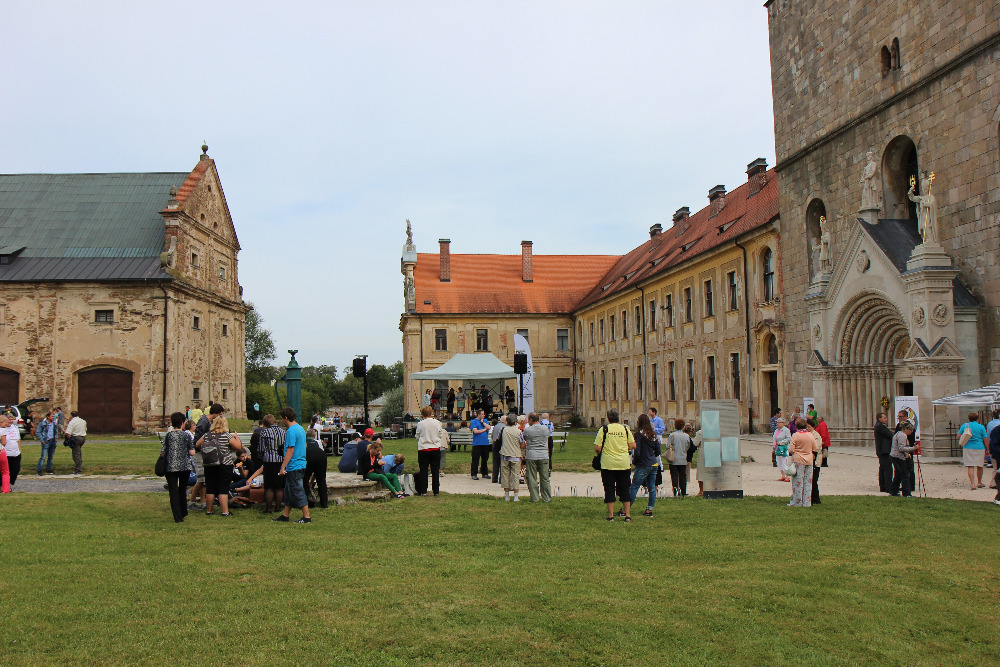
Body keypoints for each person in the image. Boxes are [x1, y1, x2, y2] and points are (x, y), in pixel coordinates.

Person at [196, 415, 243, 516]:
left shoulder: (207, 435)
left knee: (210, 488)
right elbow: (238, 446)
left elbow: (197, 444)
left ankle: (209, 510)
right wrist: (236, 437)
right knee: (223, 488)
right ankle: (225, 512)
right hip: (224, 464)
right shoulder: (226, 435)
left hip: (209, 464)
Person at [595, 409, 636, 521]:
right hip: (623, 463)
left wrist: (600, 453)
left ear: (608, 418)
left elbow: (598, 447)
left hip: (608, 463)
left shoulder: (604, 429)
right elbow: (633, 445)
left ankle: (611, 515)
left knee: (609, 488)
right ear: (618, 417)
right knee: (625, 489)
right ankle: (627, 515)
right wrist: (624, 448)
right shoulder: (625, 429)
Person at [274, 407, 311, 523]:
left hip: (294, 465)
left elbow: (290, 450)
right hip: (301, 463)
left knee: (298, 490)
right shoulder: (300, 428)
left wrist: (282, 467)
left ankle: (306, 517)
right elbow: (304, 445)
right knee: (289, 491)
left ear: (286, 418)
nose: (281, 420)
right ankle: (285, 515)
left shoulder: (291, 431)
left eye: (282, 418)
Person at [161, 412, 195, 523]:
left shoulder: (168, 436)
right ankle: (183, 511)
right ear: (182, 422)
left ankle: (177, 516)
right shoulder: (186, 435)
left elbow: (163, 451)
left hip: (170, 466)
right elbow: (192, 452)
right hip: (184, 466)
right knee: (182, 489)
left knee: (173, 491)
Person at [629, 413, 661, 516]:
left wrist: (635, 461)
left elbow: (637, 451)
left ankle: (626, 508)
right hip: (653, 463)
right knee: (652, 488)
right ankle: (649, 509)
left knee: (634, 486)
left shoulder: (639, 435)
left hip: (643, 464)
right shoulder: (653, 435)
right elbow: (658, 451)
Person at [257, 414, 286, 513]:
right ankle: (278, 507)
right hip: (281, 460)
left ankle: (268, 508)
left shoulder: (264, 432)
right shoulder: (283, 432)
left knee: (269, 486)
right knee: (279, 486)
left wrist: (261, 456)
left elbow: (261, 448)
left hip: (269, 460)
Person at [414, 405, 444, 496]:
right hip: (435, 448)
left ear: (422, 414)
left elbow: (417, 436)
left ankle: (423, 490)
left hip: (423, 448)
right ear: (431, 413)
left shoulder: (420, 423)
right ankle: (436, 491)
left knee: (423, 470)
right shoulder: (437, 422)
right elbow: (440, 434)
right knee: (435, 470)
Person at [522, 412, 551, 502]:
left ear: (531, 419)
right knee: (545, 477)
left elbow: (525, 439)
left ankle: (535, 498)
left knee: (532, 477)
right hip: (544, 455)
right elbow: (547, 437)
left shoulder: (528, 430)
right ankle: (546, 497)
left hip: (532, 455)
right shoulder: (545, 428)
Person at [958, 412, 989, 491]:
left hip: (968, 447)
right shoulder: (981, 426)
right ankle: (979, 482)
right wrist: (988, 449)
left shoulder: (965, 426)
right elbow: (985, 438)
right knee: (980, 466)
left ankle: (972, 484)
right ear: (977, 418)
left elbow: (958, 435)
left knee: (970, 466)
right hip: (979, 447)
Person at [788, 418, 815, 507]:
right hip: (809, 460)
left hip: (799, 459)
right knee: (808, 481)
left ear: (797, 427)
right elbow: (815, 447)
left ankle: (797, 501)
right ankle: (806, 502)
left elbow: (791, 449)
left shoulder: (796, 435)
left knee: (798, 482)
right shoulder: (810, 435)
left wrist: (797, 450)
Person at [498, 414, 524, 501]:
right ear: (516, 422)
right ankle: (516, 496)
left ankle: (507, 495)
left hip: (505, 454)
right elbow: (522, 444)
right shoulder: (518, 431)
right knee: (515, 476)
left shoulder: (503, 430)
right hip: (516, 455)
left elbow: (499, 440)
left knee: (505, 475)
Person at [890, 422, 918, 497]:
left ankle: (893, 491)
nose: (911, 432)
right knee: (905, 475)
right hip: (899, 457)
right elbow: (901, 448)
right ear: (906, 429)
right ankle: (906, 493)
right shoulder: (903, 435)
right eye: (910, 430)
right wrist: (913, 448)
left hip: (894, 456)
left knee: (898, 475)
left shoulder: (898, 433)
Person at [664, 419, 691, 497]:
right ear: (683, 426)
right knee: (683, 476)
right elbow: (688, 446)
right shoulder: (686, 436)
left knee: (674, 476)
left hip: (674, 458)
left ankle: (676, 491)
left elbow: (667, 446)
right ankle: (683, 491)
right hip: (683, 458)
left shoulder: (672, 435)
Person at [304, 428, 329, 509]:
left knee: (305, 479)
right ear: (314, 436)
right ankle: (324, 503)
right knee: (321, 480)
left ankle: (307, 502)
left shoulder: (303, 443)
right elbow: (316, 472)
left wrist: (310, 482)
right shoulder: (319, 442)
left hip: (308, 456)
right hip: (321, 456)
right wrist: (312, 481)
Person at [874, 413, 894, 493]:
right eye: (884, 418)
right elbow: (890, 434)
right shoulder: (880, 426)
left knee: (883, 468)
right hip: (883, 450)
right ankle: (888, 486)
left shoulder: (879, 426)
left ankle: (883, 486)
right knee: (887, 469)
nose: (886, 419)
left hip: (882, 450)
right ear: (879, 418)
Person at [806, 418, 824, 504]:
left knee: (814, 480)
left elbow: (817, 448)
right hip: (809, 459)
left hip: (816, 460)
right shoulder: (808, 435)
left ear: (813, 427)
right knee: (810, 480)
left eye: (809, 427)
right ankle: (811, 497)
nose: (807, 428)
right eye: (806, 427)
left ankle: (816, 499)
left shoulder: (816, 435)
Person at [0, 414, 21, 487]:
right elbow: (3, 442)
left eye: (12, 419)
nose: (10, 421)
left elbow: (18, 439)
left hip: (15, 452)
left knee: (15, 469)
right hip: (5, 453)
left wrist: (19, 450)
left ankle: (9, 483)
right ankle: (4, 485)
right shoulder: (3, 429)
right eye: (9, 419)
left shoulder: (15, 427)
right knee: (5, 471)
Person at [64, 411, 87, 475]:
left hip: (76, 437)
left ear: (71, 415)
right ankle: (80, 463)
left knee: (75, 453)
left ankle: (78, 469)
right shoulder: (83, 421)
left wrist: (69, 439)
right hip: (83, 437)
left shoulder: (72, 422)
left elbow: (68, 433)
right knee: (78, 451)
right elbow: (85, 429)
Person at [470, 409, 490, 480]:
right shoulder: (474, 421)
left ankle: (484, 473)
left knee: (485, 459)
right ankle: (474, 473)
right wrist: (484, 429)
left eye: (484, 414)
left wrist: (483, 423)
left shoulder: (485, 421)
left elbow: (489, 427)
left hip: (485, 443)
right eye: (482, 414)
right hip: (477, 443)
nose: (483, 415)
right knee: (475, 459)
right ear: (478, 415)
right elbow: (475, 431)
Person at [987, 409, 1000, 488]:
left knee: (995, 468)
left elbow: (988, 436)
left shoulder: (989, 424)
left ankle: (993, 483)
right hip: (996, 449)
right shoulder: (997, 428)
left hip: (993, 448)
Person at [489, 417, 504, 483]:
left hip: (495, 444)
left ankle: (494, 478)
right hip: (501, 444)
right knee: (502, 462)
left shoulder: (495, 426)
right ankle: (501, 479)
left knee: (495, 462)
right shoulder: (504, 427)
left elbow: (492, 436)